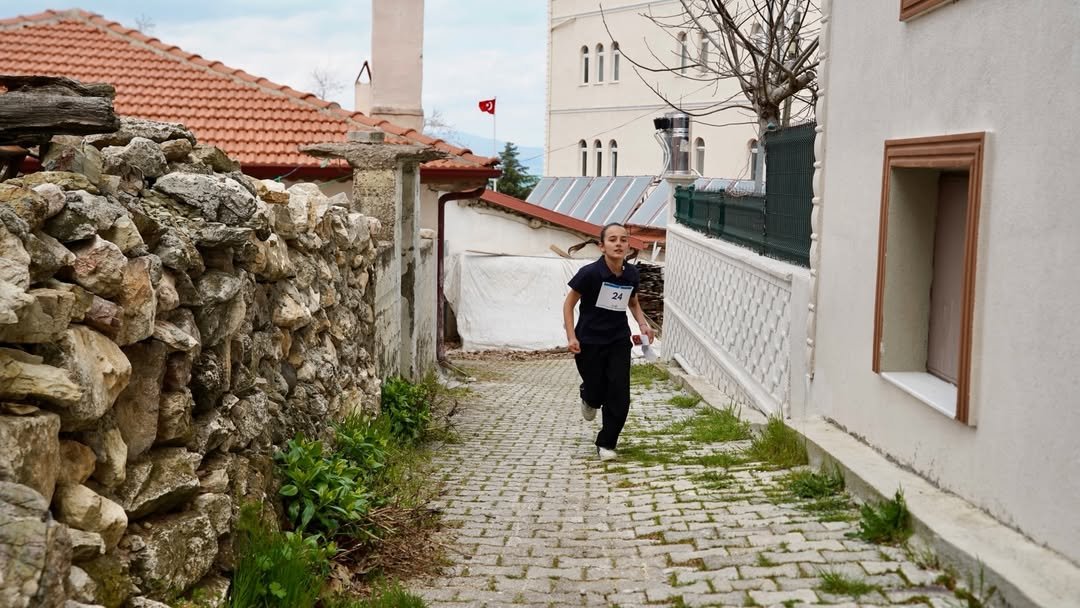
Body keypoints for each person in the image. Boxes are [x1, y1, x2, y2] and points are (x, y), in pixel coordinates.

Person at [563, 222, 655, 461]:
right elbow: (569, 303)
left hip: (618, 339)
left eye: (623, 239)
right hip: (589, 340)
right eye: (613, 239)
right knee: (596, 390)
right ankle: (588, 396)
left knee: (619, 393)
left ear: (627, 245)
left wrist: (643, 324)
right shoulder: (590, 273)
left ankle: (607, 443)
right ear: (602, 246)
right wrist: (571, 336)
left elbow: (633, 303)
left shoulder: (631, 274)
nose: (619, 243)